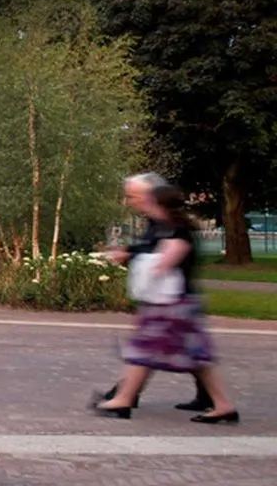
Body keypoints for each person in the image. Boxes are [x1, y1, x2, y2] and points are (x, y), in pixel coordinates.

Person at [92, 176, 239, 424]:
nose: (142, 204)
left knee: (142, 351)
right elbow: (151, 251)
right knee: (196, 357)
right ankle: (223, 405)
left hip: (170, 306)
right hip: (179, 304)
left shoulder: (174, 230)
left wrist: (151, 267)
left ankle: (123, 399)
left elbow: (167, 260)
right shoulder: (165, 227)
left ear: (159, 203)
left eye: (147, 199)